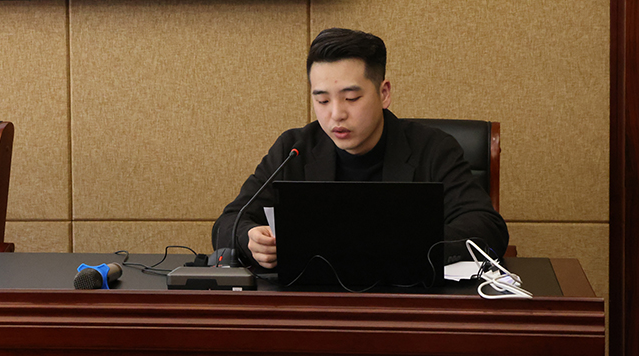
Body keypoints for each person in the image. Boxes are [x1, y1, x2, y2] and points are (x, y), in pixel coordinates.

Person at [212, 28, 509, 270]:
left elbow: (487, 228)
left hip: (407, 303)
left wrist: (403, 245)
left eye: (351, 98)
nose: (336, 114)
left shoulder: (433, 149)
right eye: (322, 100)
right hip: (314, 305)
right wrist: (250, 238)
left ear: (384, 93)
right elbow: (227, 223)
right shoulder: (294, 149)